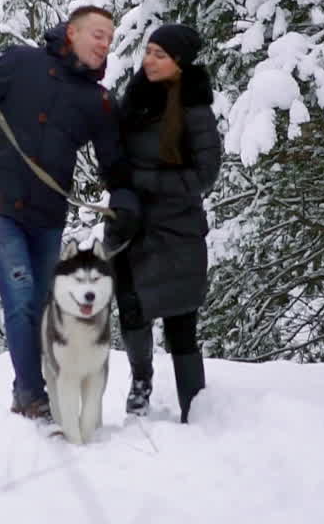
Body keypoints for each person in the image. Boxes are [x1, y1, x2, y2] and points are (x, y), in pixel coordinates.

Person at [0, 5, 140, 420]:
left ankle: (39, 389)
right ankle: (31, 396)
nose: (106, 44)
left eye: (110, 38)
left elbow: (115, 163)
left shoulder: (97, 101)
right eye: (98, 34)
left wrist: (124, 199)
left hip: (47, 216)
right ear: (72, 33)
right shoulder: (21, 63)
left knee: (43, 302)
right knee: (20, 296)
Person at [107, 23, 222, 424]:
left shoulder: (195, 109)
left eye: (161, 55)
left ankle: (196, 407)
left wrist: (144, 180)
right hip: (130, 223)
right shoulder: (134, 99)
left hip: (177, 229)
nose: (150, 61)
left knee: (180, 320)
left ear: (180, 63)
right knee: (132, 309)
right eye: (149, 51)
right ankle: (141, 385)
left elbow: (206, 175)